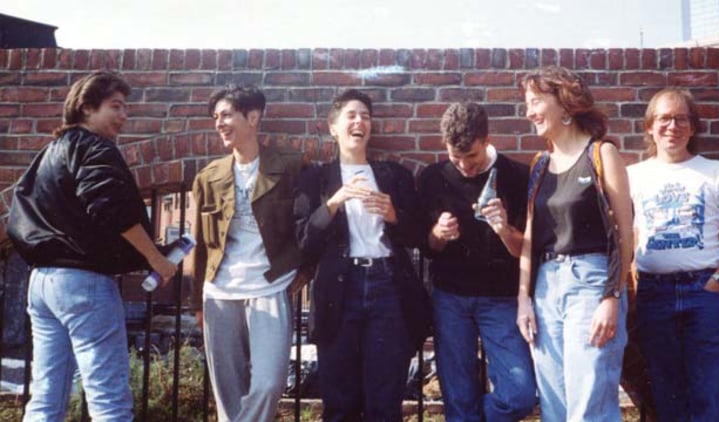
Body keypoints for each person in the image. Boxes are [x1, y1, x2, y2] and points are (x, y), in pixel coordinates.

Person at [7, 70, 177, 421]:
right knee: (108, 399)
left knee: (45, 399)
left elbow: (19, 215)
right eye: (116, 106)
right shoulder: (95, 147)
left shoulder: (49, 153)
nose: (124, 115)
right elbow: (111, 206)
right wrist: (156, 259)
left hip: (41, 284)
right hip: (84, 284)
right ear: (86, 107)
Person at [293, 89, 430, 421]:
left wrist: (394, 215)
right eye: (351, 116)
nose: (360, 122)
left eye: (366, 116)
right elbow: (302, 241)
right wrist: (333, 203)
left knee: (385, 399)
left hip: (387, 285)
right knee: (340, 400)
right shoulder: (315, 178)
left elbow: (417, 237)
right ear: (333, 127)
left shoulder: (393, 176)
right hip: (339, 290)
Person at [628, 88, 719, 421]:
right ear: (649, 127)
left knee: (711, 394)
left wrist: (716, 282)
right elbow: (624, 236)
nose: (673, 126)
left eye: (681, 118)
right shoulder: (632, 177)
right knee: (666, 394)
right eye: (664, 118)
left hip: (704, 294)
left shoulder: (717, 172)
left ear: (693, 127)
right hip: (654, 295)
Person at [516, 65, 633, 421]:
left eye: (536, 102)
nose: (529, 112)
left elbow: (625, 234)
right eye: (526, 104)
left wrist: (612, 296)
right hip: (545, 288)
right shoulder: (539, 165)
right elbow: (531, 237)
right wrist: (524, 298)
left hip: (592, 282)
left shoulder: (602, 155)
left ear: (565, 104)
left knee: (589, 403)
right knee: (554, 404)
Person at [191, 85, 309, 422]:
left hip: (270, 286)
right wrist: (195, 303)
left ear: (253, 117)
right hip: (219, 292)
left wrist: (308, 268)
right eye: (216, 117)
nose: (219, 123)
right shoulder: (208, 177)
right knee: (228, 391)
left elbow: (309, 224)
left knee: (269, 384)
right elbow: (199, 246)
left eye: (226, 115)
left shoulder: (289, 166)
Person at [417, 102, 536, 421]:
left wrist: (504, 229)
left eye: (471, 157)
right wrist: (438, 234)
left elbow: (527, 251)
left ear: (487, 139)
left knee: (519, 395)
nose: (465, 167)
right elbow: (427, 248)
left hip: (502, 299)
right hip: (450, 298)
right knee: (458, 398)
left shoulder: (518, 177)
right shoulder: (432, 178)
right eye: (456, 158)